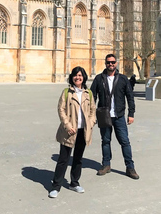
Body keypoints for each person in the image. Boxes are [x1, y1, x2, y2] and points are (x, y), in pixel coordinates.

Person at [49, 66, 96, 198]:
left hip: (83, 131)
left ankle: (74, 183)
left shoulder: (88, 93)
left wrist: (91, 123)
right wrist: (68, 125)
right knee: (63, 159)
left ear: (84, 77)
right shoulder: (67, 92)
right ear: (72, 77)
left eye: (80, 75)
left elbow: (93, 110)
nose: (78, 77)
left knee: (78, 159)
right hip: (69, 131)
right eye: (75, 75)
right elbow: (61, 110)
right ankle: (56, 186)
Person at [90, 54, 139, 179]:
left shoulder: (122, 79)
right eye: (108, 62)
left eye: (112, 62)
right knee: (105, 141)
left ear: (116, 63)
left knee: (125, 142)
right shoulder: (99, 79)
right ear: (105, 63)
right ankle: (106, 164)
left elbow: (130, 97)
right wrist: (91, 114)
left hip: (119, 116)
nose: (110, 64)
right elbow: (92, 97)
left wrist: (131, 114)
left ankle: (130, 167)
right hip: (104, 115)